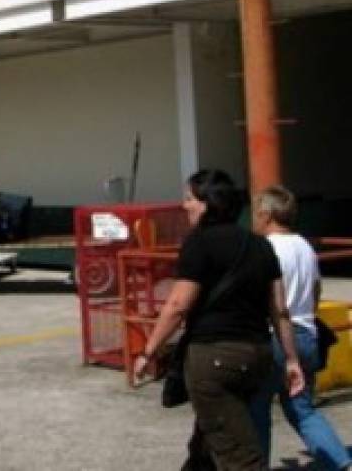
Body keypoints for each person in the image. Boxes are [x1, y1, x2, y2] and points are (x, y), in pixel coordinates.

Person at [134, 169, 304, 470]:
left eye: (189, 199)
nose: (184, 205)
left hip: (214, 358)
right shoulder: (260, 245)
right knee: (207, 449)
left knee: (241, 458)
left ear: (207, 204)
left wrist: (149, 351)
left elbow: (177, 305)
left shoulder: (199, 243)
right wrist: (291, 360)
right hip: (257, 356)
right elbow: (280, 310)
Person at [250, 186, 352, 471]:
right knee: (303, 409)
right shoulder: (305, 247)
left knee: (257, 408)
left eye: (256, 212)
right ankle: (340, 462)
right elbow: (316, 289)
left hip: (275, 335)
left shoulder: (265, 249)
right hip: (307, 333)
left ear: (266, 214)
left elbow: (265, 298)